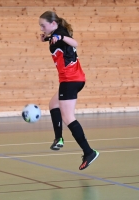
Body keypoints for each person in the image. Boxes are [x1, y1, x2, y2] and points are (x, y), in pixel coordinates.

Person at [39, 11, 99, 170]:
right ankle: (58, 138)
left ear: (53, 24)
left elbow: (74, 43)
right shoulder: (54, 35)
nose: (42, 28)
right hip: (72, 79)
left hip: (70, 80)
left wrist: (61, 38)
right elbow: (56, 41)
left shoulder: (61, 33)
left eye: (43, 26)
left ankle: (88, 152)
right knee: (53, 105)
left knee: (68, 116)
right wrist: (47, 38)